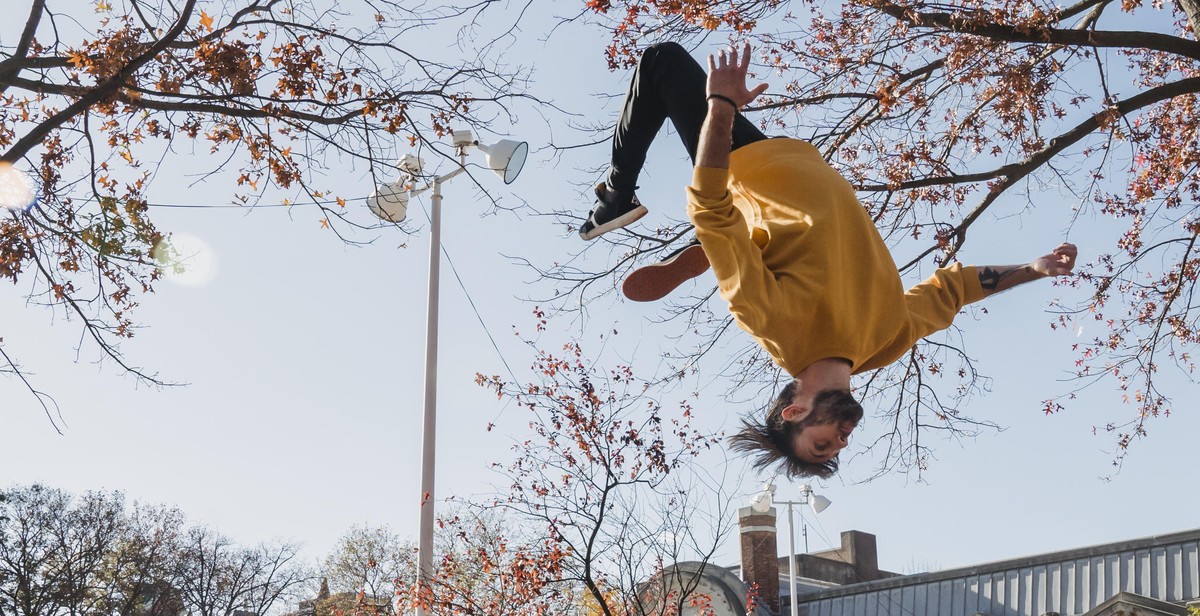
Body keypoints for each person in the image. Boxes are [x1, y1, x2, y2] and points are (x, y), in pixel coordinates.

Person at [579, 41, 1079, 478]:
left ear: (794, 413)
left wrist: (722, 107)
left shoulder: (773, 322)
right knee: (736, 234)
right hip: (793, 163)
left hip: (751, 172)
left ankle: (616, 197)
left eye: (822, 444)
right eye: (838, 448)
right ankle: (727, 248)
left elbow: (710, 207)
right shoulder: (883, 343)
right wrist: (1032, 270)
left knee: (662, 62)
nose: (840, 441)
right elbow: (954, 291)